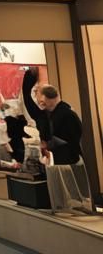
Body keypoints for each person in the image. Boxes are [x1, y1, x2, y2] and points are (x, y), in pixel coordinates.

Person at [23, 74, 93, 214]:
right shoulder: (45, 115)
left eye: (40, 98)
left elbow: (75, 137)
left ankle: (74, 206)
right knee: (58, 190)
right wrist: (27, 85)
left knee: (71, 190)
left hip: (67, 158)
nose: (38, 101)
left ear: (44, 99)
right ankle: (61, 205)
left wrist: (51, 144)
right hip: (55, 158)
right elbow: (30, 105)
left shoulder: (66, 114)